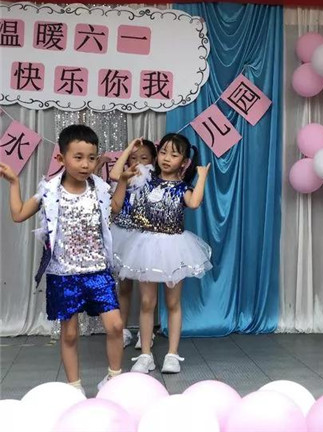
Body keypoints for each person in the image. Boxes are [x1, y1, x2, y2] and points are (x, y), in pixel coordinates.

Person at [0, 124, 130, 395]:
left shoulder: (99, 188)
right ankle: (74, 388)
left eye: (91, 158)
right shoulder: (49, 191)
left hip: (97, 271)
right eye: (78, 157)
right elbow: (19, 214)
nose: (85, 164)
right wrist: (14, 183)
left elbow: (116, 208)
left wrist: (124, 182)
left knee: (116, 325)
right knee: (69, 333)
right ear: (61, 158)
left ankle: (114, 380)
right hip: (63, 274)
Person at [112, 133, 212, 374]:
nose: (167, 158)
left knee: (173, 302)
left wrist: (202, 177)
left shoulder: (182, 188)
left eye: (174, 155)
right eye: (164, 152)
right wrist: (130, 148)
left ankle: (172, 354)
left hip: (173, 248)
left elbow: (194, 203)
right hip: (146, 246)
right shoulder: (145, 179)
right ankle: (145, 354)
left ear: (184, 162)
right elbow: (116, 175)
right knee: (147, 302)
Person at [109, 138, 157, 349]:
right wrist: (128, 149)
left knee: (148, 290)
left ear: (153, 160)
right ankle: (123, 330)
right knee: (124, 287)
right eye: (133, 158)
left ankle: (147, 333)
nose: (138, 162)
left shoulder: (156, 180)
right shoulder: (125, 178)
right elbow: (114, 175)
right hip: (122, 235)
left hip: (145, 238)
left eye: (144, 158)